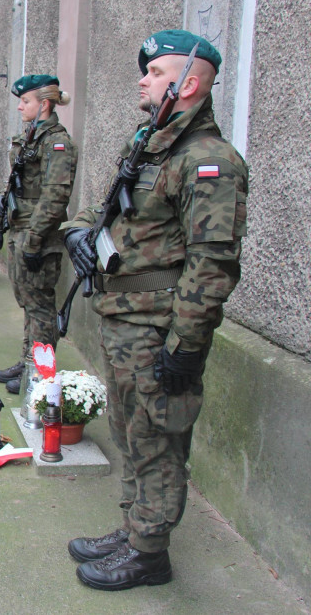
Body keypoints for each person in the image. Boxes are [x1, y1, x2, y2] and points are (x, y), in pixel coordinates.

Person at [62, 30, 248, 591]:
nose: (143, 79)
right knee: (128, 431)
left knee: (159, 440)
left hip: (158, 330)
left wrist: (185, 348)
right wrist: (78, 232)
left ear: (187, 84)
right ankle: (134, 525)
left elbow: (212, 265)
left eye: (155, 72)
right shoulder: (148, 144)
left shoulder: (210, 162)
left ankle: (149, 553)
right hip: (124, 318)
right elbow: (108, 209)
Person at [0, 76, 77, 394]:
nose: (19, 106)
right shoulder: (32, 137)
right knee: (29, 303)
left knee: (41, 306)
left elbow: (55, 196)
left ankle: (41, 376)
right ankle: (28, 359)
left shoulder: (57, 143)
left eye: (25, 101)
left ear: (43, 104)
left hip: (39, 236)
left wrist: (34, 238)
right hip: (22, 230)